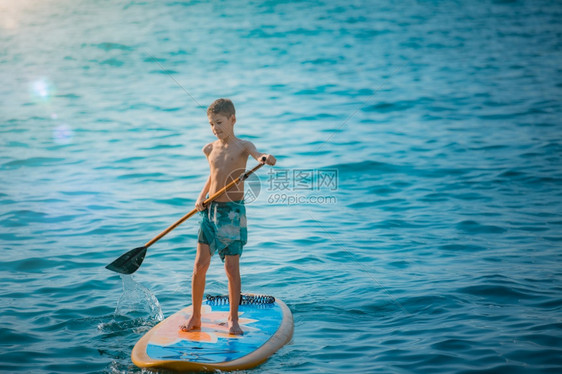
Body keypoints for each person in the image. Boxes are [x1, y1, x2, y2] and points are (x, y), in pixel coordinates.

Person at [180, 98, 276, 335]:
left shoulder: (243, 146)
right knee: (199, 266)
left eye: (220, 122)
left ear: (233, 120)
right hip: (209, 213)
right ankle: (195, 316)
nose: (215, 128)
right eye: (212, 124)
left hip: (232, 214)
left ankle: (233, 320)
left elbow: (259, 155)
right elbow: (212, 176)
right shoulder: (209, 149)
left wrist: (266, 159)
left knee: (231, 269)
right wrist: (200, 197)